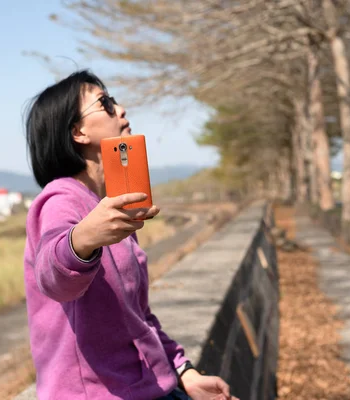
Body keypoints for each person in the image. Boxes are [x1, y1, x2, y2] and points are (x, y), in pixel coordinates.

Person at [24, 70, 238, 400]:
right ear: (77, 131)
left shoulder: (110, 208)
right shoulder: (61, 199)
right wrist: (81, 240)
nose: (121, 109)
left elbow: (138, 317)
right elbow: (53, 278)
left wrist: (184, 370)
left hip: (148, 388)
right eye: (106, 103)